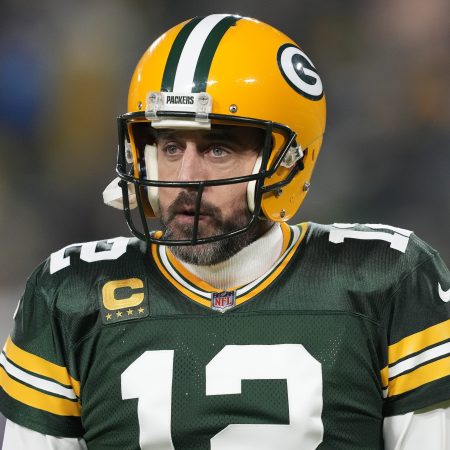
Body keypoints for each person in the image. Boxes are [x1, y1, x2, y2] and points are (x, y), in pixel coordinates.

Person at [0, 13, 449, 450]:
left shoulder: (388, 280)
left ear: (286, 162)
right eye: (170, 147)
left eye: (217, 149)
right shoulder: (70, 293)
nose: (185, 178)